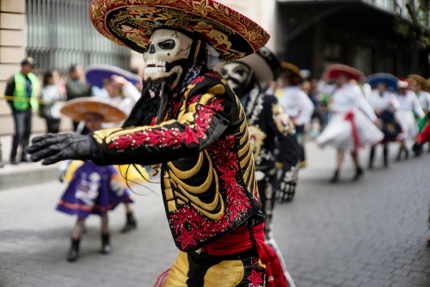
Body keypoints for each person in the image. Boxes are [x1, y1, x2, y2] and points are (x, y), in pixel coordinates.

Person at [28, 0, 289, 286]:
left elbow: (188, 135)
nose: (152, 56)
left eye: (165, 46)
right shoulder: (175, 99)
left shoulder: (213, 93)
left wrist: (94, 144)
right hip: (193, 251)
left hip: (233, 255)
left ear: (196, 53)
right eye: (149, 48)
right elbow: (151, 138)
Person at [217, 47, 300, 286]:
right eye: (226, 71)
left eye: (238, 71)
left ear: (250, 75)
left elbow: (290, 138)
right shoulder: (218, 105)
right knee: (228, 241)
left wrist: (289, 176)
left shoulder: (267, 102)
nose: (230, 76)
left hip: (260, 184)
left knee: (261, 238)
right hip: (225, 186)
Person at [56, 97, 135, 262]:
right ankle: (74, 246)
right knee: (81, 214)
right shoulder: (81, 135)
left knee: (104, 213)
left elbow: (116, 149)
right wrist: (63, 168)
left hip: (105, 175)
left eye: (95, 119)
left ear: (101, 120)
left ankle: (106, 242)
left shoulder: (107, 134)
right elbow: (70, 151)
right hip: (86, 177)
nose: (91, 123)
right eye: (88, 120)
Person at [316, 64, 383, 183]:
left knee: (348, 147)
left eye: (343, 77)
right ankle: (350, 169)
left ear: (347, 78)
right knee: (346, 147)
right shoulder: (336, 88)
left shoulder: (353, 89)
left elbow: (363, 104)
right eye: (339, 77)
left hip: (349, 120)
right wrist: (324, 79)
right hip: (338, 119)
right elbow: (322, 89)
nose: (340, 79)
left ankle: (341, 171)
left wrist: (373, 118)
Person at [277, 62, 314, 168]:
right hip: (282, 123)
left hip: (291, 123)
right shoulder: (282, 91)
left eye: (284, 78)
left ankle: (291, 171)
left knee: (293, 150)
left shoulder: (296, 92)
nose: (281, 80)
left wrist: (298, 121)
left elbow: (309, 107)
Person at [5, 57, 40, 165]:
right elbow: (8, 94)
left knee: (27, 132)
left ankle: (24, 154)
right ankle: (13, 155)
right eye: (30, 66)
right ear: (24, 66)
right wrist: (13, 107)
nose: (32, 68)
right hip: (18, 109)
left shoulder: (32, 77)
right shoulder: (15, 77)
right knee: (19, 132)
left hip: (29, 108)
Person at [366, 73, 401, 168]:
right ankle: (370, 161)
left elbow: (397, 106)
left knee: (385, 139)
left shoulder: (390, 95)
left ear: (386, 86)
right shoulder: (372, 94)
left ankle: (385, 160)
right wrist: (374, 109)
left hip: (386, 118)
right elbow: (367, 105)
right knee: (374, 140)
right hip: (375, 118)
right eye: (379, 85)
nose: (381, 87)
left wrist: (392, 104)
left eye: (383, 85)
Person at [395, 78, 425, 160]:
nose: (402, 89)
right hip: (399, 115)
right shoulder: (396, 95)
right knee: (401, 133)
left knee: (414, 131)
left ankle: (417, 147)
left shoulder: (411, 94)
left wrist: (422, 115)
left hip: (408, 115)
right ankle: (402, 150)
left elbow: (417, 106)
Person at [65, 64, 92, 130]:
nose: (81, 72)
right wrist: (86, 87)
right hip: (76, 110)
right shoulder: (69, 82)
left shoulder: (85, 81)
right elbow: (75, 92)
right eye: (79, 70)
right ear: (72, 72)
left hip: (86, 109)